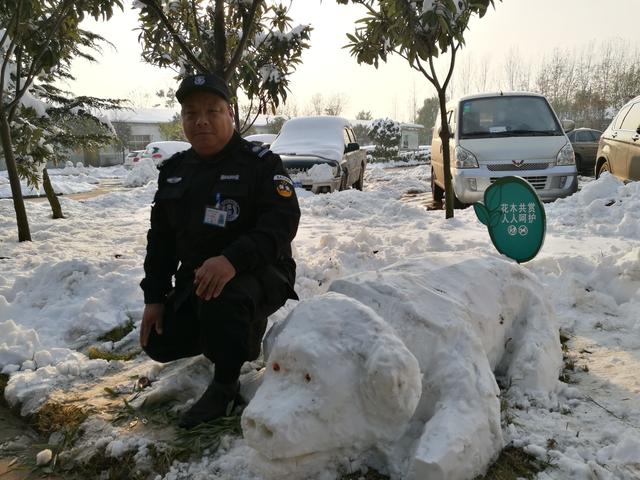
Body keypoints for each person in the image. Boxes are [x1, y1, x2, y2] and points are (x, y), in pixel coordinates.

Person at [139, 73, 300, 429]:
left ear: (231, 114)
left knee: (222, 296)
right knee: (160, 342)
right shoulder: (176, 172)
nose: (201, 120)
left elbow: (282, 223)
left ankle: (225, 385)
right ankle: (233, 336)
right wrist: (155, 298)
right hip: (201, 278)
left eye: (212, 111)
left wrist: (232, 259)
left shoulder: (261, 164)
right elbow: (161, 240)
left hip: (262, 272)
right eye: (191, 113)